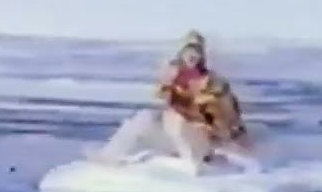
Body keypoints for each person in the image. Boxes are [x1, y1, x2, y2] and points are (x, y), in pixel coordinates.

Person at [93, 30, 257, 174]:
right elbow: (161, 94)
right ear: (181, 54)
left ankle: (194, 165)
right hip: (176, 134)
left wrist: (230, 135)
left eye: (196, 51)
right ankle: (108, 157)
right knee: (146, 118)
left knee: (180, 122)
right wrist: (168, 82)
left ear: (202, 55)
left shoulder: (214, 82)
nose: (192, 55)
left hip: (204, 136)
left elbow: (229, 114)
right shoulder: (172, 76)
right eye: (188, 51)